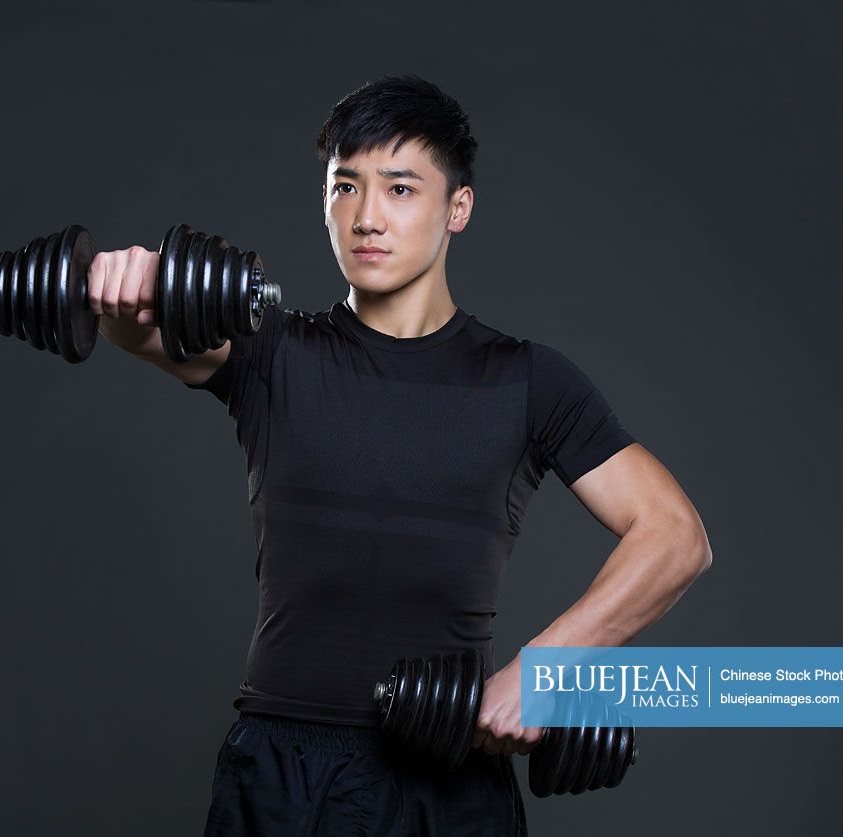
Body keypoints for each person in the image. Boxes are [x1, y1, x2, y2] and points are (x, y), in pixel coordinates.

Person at [89, 74, 712, 836]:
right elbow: (151, 327)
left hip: (446, 783)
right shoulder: (270, 352)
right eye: (344, 186)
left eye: (399, 188)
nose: (365, 217)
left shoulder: (526, 380)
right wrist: (119, 293)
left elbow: (673, 535)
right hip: (280, 775)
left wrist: (544, 670)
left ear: (457, 208)